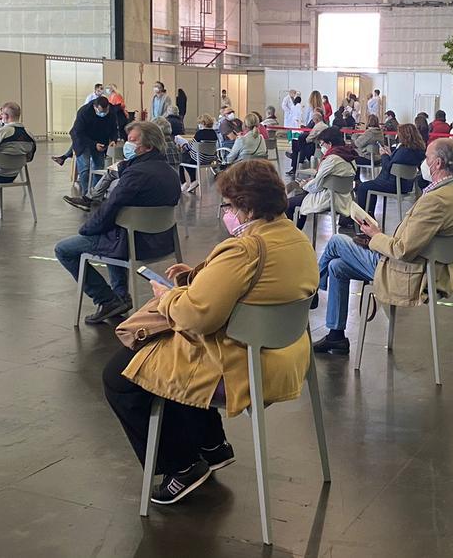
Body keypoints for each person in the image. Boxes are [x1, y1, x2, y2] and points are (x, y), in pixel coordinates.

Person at [102, 159, 316, 505]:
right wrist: (199, 276)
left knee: (121, 375)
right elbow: (253, 289)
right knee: (171, 356)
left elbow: (196, 317)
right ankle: (211, 445)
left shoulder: (245, 248)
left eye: (228, 205)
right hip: (287, 355)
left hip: (241, 367)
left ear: (246, 207)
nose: (226, 212)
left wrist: (168, 296)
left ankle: (181, 466)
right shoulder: (294, 238)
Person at [313, 138, 453, 354]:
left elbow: (402, 250)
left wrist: (375, 237)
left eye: (427, 159)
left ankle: (312, 290)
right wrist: (379, 238)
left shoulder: (436, 201)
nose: (423, 164)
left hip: (410, 273)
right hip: (429, 268)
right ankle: (336, 336)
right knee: (337, 268)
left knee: (336, 241)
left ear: (437, 163)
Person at [55, 121, 181, 324]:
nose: (127, 145)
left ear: (147, 147)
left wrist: (87, 230)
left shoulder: (136, 175)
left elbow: (109, 209)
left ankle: (106, 299)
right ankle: (120, 296)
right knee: (114, 232)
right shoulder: (169, 173)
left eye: (132, 141)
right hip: (162, 242)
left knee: (64, 249)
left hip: (133, 243)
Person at [286, 127, 357, 229]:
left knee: (289, 203)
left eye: (322, 143)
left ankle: (293, 235)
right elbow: (330, 179)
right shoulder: (350, 157)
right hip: (344, 199)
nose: (321, 146)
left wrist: (305, 185)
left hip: (328, 199)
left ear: (330, 143)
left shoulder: (332, 159)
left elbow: (316, 186)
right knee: (301, 198)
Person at [354, 122, 428, 217]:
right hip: (406, 185)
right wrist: (390, 155)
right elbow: (396, 163)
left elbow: (388, 167)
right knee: (369, 187)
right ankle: (369, 214)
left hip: (392, 184)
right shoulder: (418, 151)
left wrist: (384, 155)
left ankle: (365, 216)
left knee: (364, 187)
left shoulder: (403, 151)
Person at [68, 96, 117, 196]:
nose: (103, 113)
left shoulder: (111, 111)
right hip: (83, 141)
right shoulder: (84, 112)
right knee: (85, 168)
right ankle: (85, 194)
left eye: (105, 110)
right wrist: (94, 144)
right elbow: (78, 133)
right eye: (101, 111)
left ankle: (95, 194)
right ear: (95, 107)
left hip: (100, 140)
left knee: (98, 168)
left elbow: (114, 128)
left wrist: (113, 139)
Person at [177, 115, 219, 193]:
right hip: (209, 159)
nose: (199, 125)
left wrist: (184, 145)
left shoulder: (200, 133)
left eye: (199, 123)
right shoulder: (214, 133)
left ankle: (184, 182)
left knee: (181, 159)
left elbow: (190, 146)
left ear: (203, 123)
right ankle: (193, 182)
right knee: (189, 159)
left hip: (199, 158)